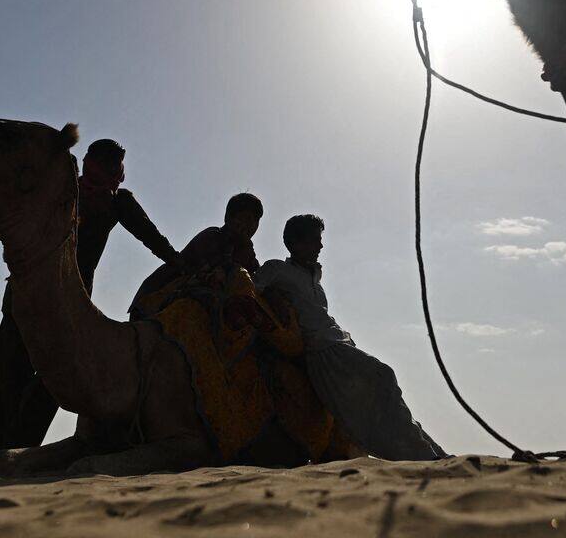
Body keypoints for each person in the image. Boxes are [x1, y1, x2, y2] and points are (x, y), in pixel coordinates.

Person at [0, 138, 183, 454]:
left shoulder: (116, 203)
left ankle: (16, 451)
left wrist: (188, 266)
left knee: (51, 378)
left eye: (112, 167)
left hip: (67, 306)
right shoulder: (62, 192)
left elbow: (155, 240)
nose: (109, 174)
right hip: (29, 297)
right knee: (9, 375)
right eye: (105, 165)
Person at [254, 214, 445, 461]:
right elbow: (251, 287)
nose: (321, 246)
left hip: (339, 344)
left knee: (385, 390)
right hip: (323, 351)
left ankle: (432, 453)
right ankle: (422, 456)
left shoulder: (315, 280)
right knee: (383, 376)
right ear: (296, 243)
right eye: (315, 240)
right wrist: (275, 303)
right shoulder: (277, 269)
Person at [129, 192, 263, 317]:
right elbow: (210, 271)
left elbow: (256, 278)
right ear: (229, 218)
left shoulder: (247, 252)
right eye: (245, 218)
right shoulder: (213, 235)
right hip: (163, 293)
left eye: (255, 221)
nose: (250, 225)